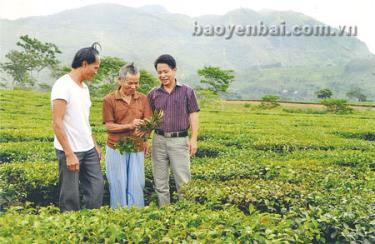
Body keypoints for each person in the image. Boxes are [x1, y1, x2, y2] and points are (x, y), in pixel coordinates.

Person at [51, 42, 104, 212]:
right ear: (84, 64)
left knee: (97, 187)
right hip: (70, 150)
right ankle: (70, 230)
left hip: (88, 148)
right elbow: (57, 122)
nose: (96, 72)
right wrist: (69, 154)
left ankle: (90, 226)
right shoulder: (62, 85)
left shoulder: (84, 88)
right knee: (70, 195)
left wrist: (94, 145)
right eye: (95, 68)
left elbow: (84, 121)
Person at [148, 54, 200, 207]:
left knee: (183, 180)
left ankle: (186, 213)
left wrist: (194, 138)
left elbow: (193, 115)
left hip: (179, 139)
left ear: (174, 70)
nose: (163, 75)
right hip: (159, 139)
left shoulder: (187, 91)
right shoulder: (153, 94)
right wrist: (147, 139)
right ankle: (165, 213)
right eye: (159, 72)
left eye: (166, 71)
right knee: (160, 181)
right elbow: (149, 118)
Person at [102, 63, 152, 208]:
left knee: (137, 184)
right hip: (116, 147)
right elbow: (109, 125)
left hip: (137, 146)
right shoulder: (109, 100)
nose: (134, 86)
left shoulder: (143, 99)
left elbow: (149, 122)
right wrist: (129, 126)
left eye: (136, 83)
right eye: (130, 83)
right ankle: (119, 215)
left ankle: (135, 216)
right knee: (118, 182)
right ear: (120, 80)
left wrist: (145, 134)